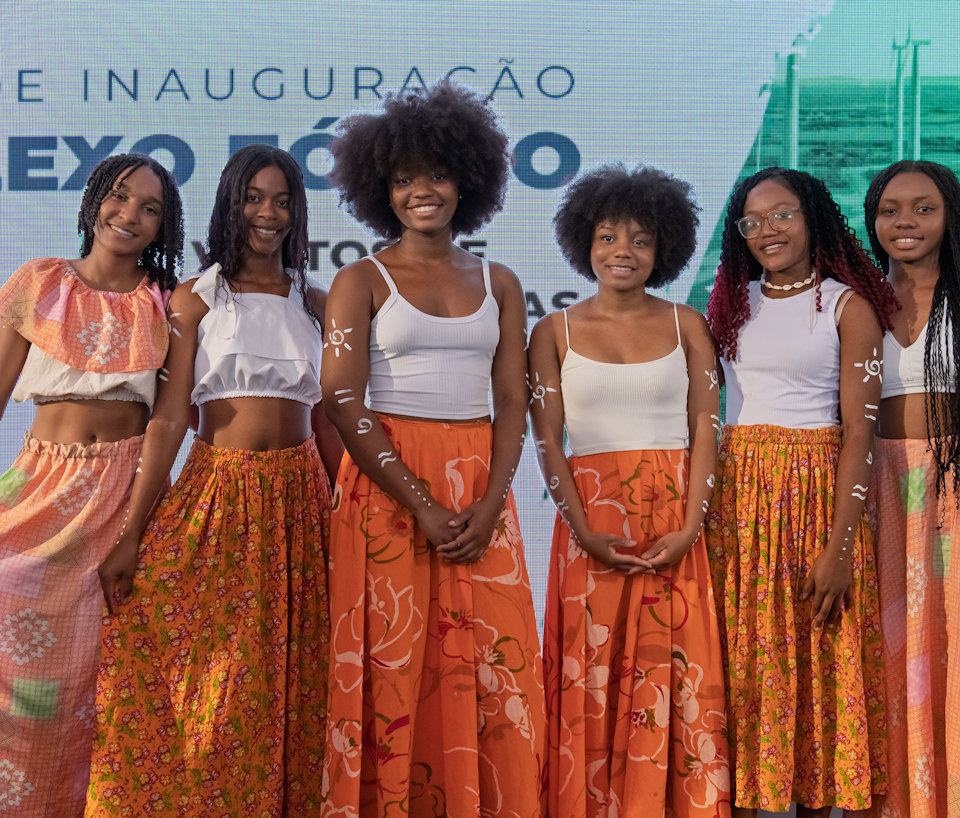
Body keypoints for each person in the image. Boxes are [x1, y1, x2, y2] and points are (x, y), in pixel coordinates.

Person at [84, 145, 338, 817]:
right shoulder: (196, 298)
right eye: (254, 197)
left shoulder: (316, 301)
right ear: (230, 203)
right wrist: (133, 533)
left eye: (283, 200)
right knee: (215, 689)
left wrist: (352, 517)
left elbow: (334, 425)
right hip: (218, 496)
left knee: (297, 682)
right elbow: (168, 422)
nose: (269, 213)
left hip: (302, 502)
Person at [320, 81, 545, 816]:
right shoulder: (360, 279)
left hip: (481, 488)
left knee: (491, 666)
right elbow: (342, 400)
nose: (423, 190)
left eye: (437, 174)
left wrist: (490, 501)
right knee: (393, 666)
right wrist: (418, 502)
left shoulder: (500, 281)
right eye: (404, 178)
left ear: (467, 181)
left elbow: (513, 399)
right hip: (387, 488)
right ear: (380, 189)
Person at [528, 164, 730, 816]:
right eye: (609, 237)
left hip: (677, 523)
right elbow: (548, 441)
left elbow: (707, 427)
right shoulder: (550, 333)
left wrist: (691, 526)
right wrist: (583, 529)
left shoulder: (688, 325)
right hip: (590, 526)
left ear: (664, 247)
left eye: (640, 240)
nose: (623, 251)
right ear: (583, 243)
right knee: (593, 677)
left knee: (677, 668)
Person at [705, 167, 897, 816]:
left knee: (818, 659)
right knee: (749, 663)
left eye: (782, 215)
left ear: (813, 218)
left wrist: (841, 547)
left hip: (819, 495)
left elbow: (857, 438)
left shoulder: (849, 306)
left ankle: (815, 802)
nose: (767, 231)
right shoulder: (729, 301)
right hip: (742, 498)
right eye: (752, 222)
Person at [0, 154, 182, 817]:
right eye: (119, 196)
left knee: (98, 693)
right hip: (34, 496)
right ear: (93, 201)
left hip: (117, 503)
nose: (128, 214)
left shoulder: (166, 303)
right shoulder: (39, 283)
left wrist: (136, 529)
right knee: (15, 682)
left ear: (163, 226)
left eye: (149, 208)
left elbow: (171, 417)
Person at [852, 160, 960, 818]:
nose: (905, 223)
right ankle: (898, 799)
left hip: (952, 491)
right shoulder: (857, 300)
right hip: (880, 491)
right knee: (888, 641)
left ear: (949, 216)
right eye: (891, 210)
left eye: (924, 209)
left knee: (950, 635)